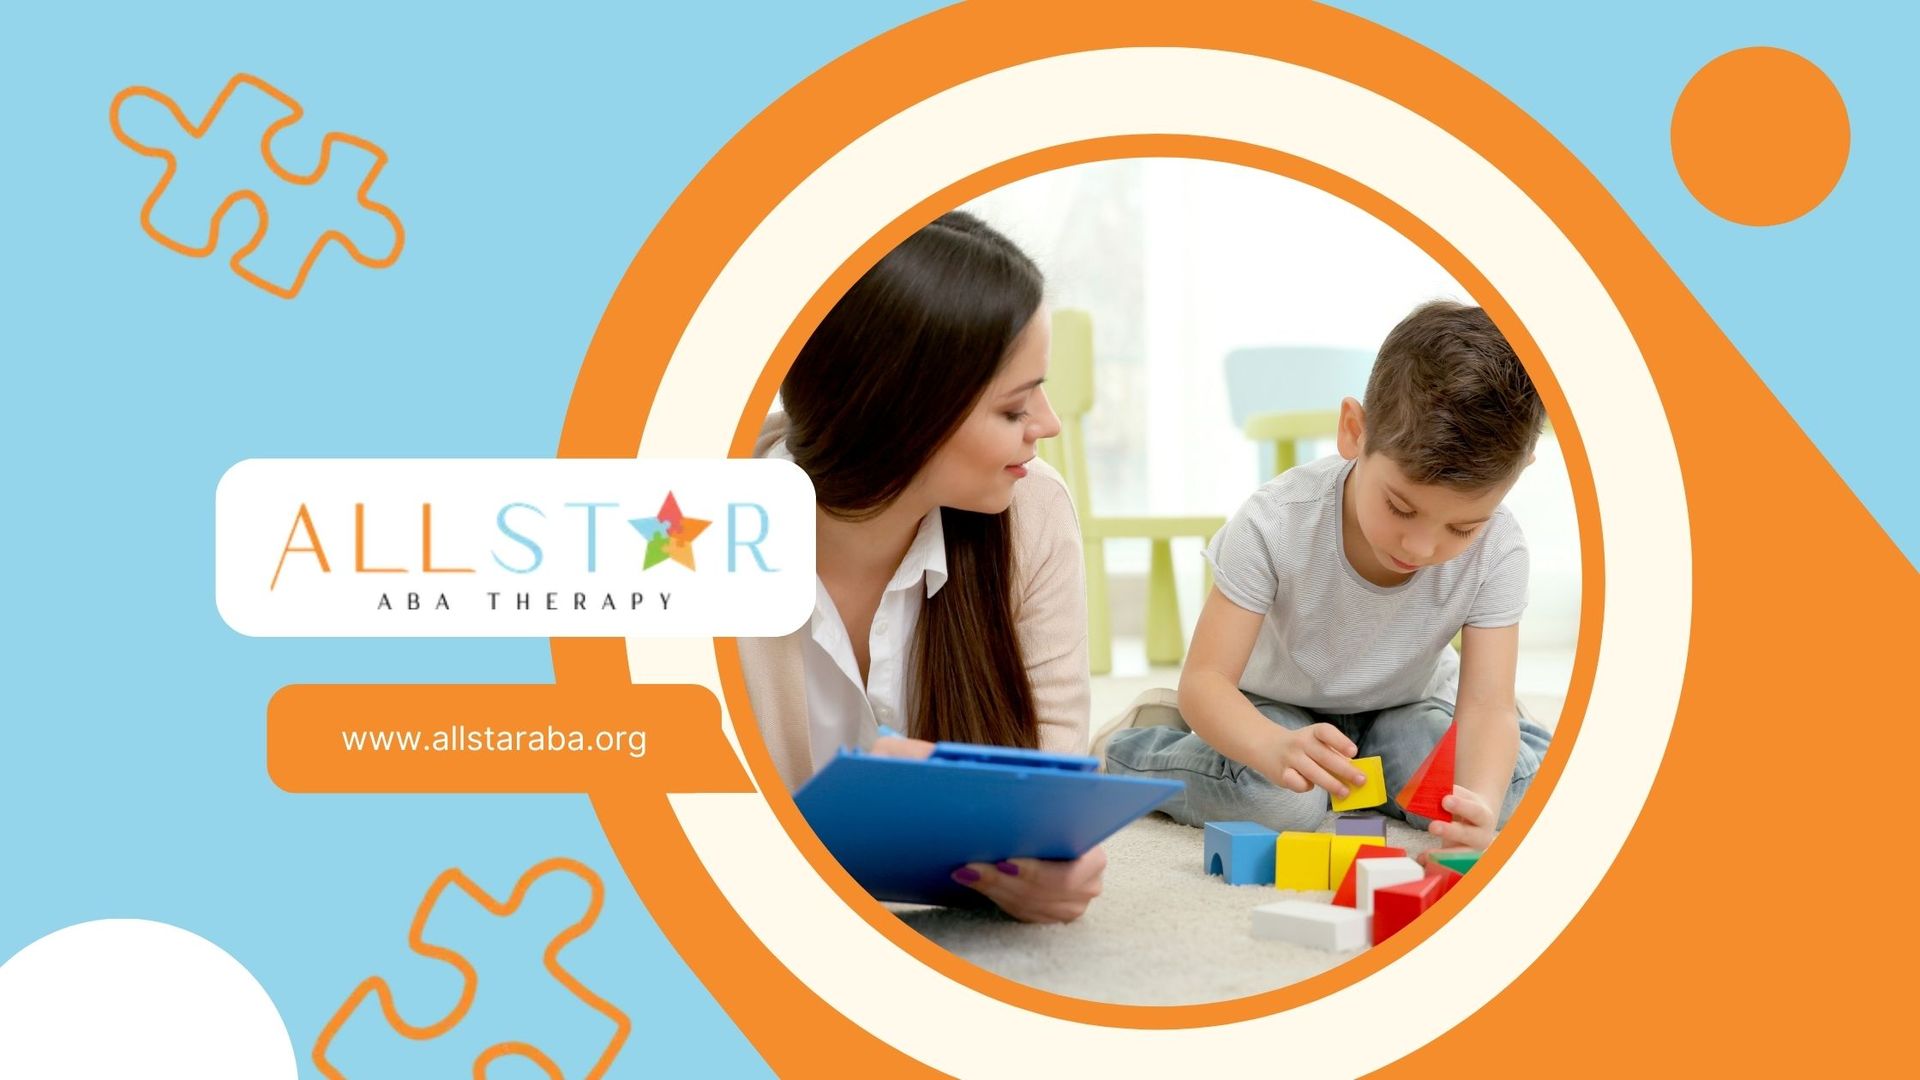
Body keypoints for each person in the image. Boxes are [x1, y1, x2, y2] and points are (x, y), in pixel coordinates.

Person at [739, 210, 1105, 922]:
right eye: (1014, 406)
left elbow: (1057, 787)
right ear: (904, 417)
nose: (1049, 424)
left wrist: (1056, 866)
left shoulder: (1032, 514)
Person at [1102, 300, 1554, 852]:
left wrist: (1478, 804)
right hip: (1276, 707)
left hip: (1404, 709)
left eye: (1461, 528)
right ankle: (1137, 750)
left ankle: (1501, 752)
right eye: (1401, 507)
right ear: (1353, 432)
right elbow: (1205, 682)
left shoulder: (1500, 547)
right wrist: (1269, 745)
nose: (1421, 546)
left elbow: (1485, 707)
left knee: (1498, 793)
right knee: (1280, 801)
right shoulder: (1274, 523)